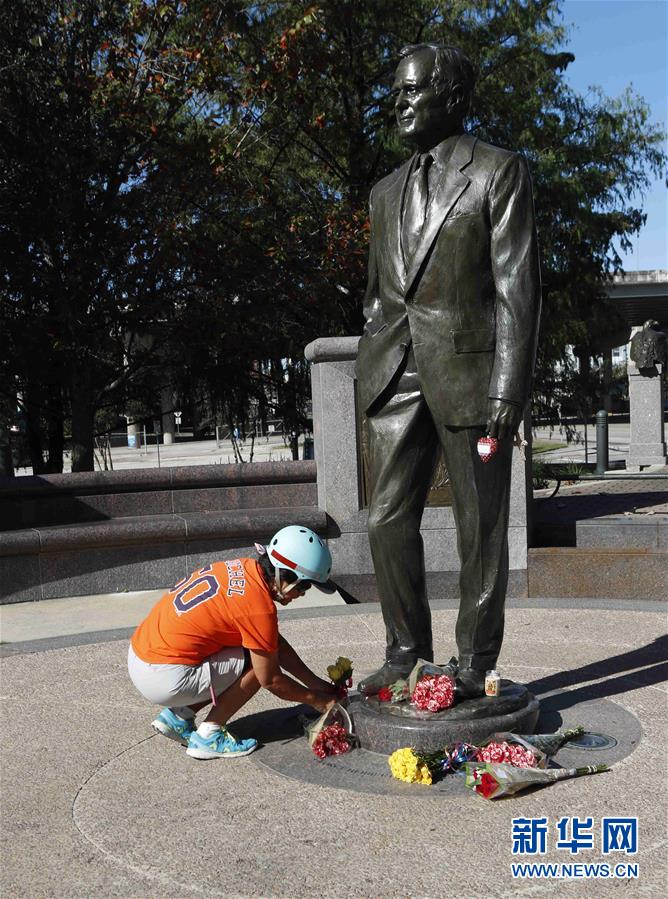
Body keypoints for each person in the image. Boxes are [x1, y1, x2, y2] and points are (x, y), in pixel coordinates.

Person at [355, 43, 541, 698]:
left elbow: (518, 290)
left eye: (411, 90)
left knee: (479, 527)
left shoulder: (497, 171)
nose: (398, 103)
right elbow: (379, 294)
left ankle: (475, 663)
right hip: (393, 375)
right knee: (385, 519)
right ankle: (405, 651)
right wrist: (373, 354)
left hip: (470, 376)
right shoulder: (384, 193)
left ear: (452, 97)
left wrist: (507, 387)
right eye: (396, 91)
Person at [128, 525, 337, 759]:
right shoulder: (258, 607)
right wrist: (316, 700)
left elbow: (272, 641)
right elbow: (270, 680)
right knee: (258, 664)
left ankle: (178, 717)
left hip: (142, 655)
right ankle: (208, 736)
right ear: (285, 576)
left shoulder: (245, 569)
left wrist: (315, 683)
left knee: (259, 648)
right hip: (164, 676)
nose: (303, 594)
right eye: (305, 586)